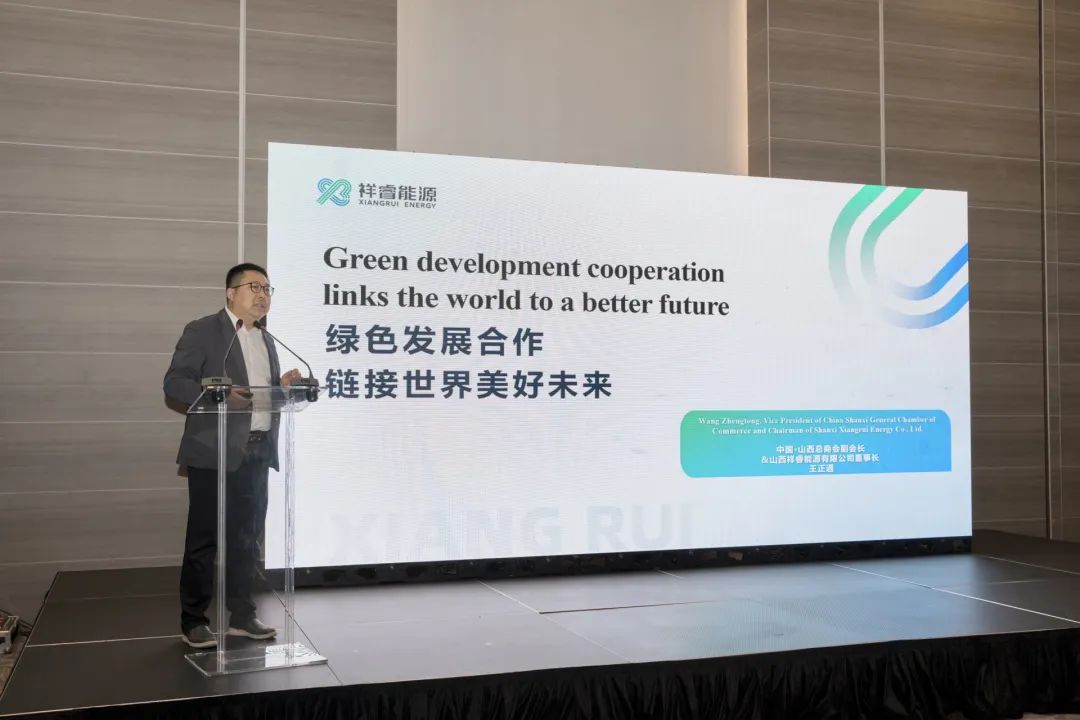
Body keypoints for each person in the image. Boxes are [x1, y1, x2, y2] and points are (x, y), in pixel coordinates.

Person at [163, 263, 302, 649]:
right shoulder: (203, 331)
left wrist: (281, 387)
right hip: (215, 451)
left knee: (246, 540)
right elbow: (174, 383)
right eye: (254, 287)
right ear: (230, 292)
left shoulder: (266, 338)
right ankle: (193, 620)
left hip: (256, 451)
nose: (263, 295)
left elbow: (260, 393)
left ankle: (242, 615)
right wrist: (219, 396)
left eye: (268, 289)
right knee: (204, 540)